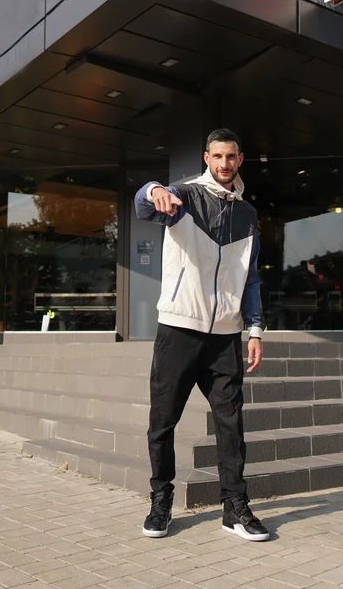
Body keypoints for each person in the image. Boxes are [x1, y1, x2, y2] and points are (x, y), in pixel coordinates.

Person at [134, 128, 269, 542]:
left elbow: (250, 279)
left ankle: (234, 508)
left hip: (225, 336)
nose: (224, 164)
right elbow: (144, 204)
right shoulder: (184, 197)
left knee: (232, 425)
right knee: (163, 421)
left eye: (231, 157)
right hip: (179, 329)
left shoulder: (247, 214)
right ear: (206, 157)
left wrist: (255, 329)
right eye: (217, 156)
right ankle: (161, 501)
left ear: (240, 159)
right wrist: (153, 188)